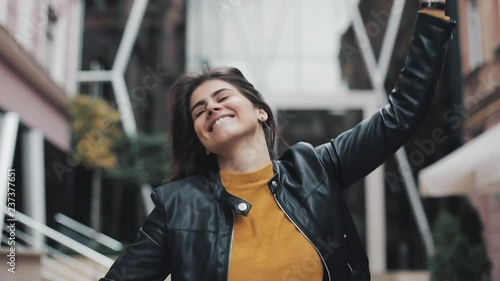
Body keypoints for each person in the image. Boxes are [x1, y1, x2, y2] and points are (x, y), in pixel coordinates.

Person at [100, 1, 455, 280]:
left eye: (222, 97)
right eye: (199, 110)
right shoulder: (178, 205)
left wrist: (433, 10)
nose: (211, 107)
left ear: (260, 112)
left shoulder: (317, 170)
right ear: (203, 141)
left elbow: (402, 114)